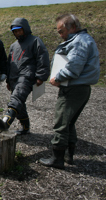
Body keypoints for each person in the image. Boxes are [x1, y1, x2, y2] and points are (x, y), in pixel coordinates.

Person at [39, 14, 100, 169]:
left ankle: (57, 158)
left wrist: (57, 78)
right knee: (69, 122)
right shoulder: (84, 39)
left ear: (72, 27)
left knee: (61, 123)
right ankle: (69, 156)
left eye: (61, 31)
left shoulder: (79, 42)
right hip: (80, 88)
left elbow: (73, 66)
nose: (60, 35)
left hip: (73, 89)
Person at [0, 18, 50, 135]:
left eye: (19, 30)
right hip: (14, 78)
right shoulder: (13, 46)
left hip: (27, 76)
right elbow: (9, 63)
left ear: (25, 29)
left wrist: (41, 76)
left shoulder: (35, 41)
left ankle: (6, 120)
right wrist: (8, 80)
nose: (17, 33)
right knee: (19, 103)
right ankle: (25, 127)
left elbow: (42, 57)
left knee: (16, 98)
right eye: (15, 31)